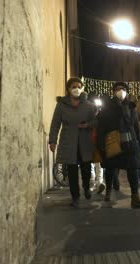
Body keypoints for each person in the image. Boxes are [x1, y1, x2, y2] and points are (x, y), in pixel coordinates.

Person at [97, 82, 140, 208]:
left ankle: (135, 197)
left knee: (133, 170)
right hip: (114, 144)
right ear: (114, 92)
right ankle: (108, 190)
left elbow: (136, 128)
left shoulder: (132, 108)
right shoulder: (107, 109)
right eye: (118, 89)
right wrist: (101, 145)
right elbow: (101, 128)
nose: (121, 91)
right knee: (110, 169)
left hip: (130, 144)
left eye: (124, 89)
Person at [49, 77, 97, 208]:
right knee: (71, 170)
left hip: (84, 141)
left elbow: (96, 122)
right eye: (73, 86)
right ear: (68, 89)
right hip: (68, 140)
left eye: (79, 86)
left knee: (86, 167)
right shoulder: (61, 105)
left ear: (82, 88)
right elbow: (55, 123)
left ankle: (86, 187)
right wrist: (52, 140)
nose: (76, 89)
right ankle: (75, 197)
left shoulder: (89, 105)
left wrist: (88, 124)